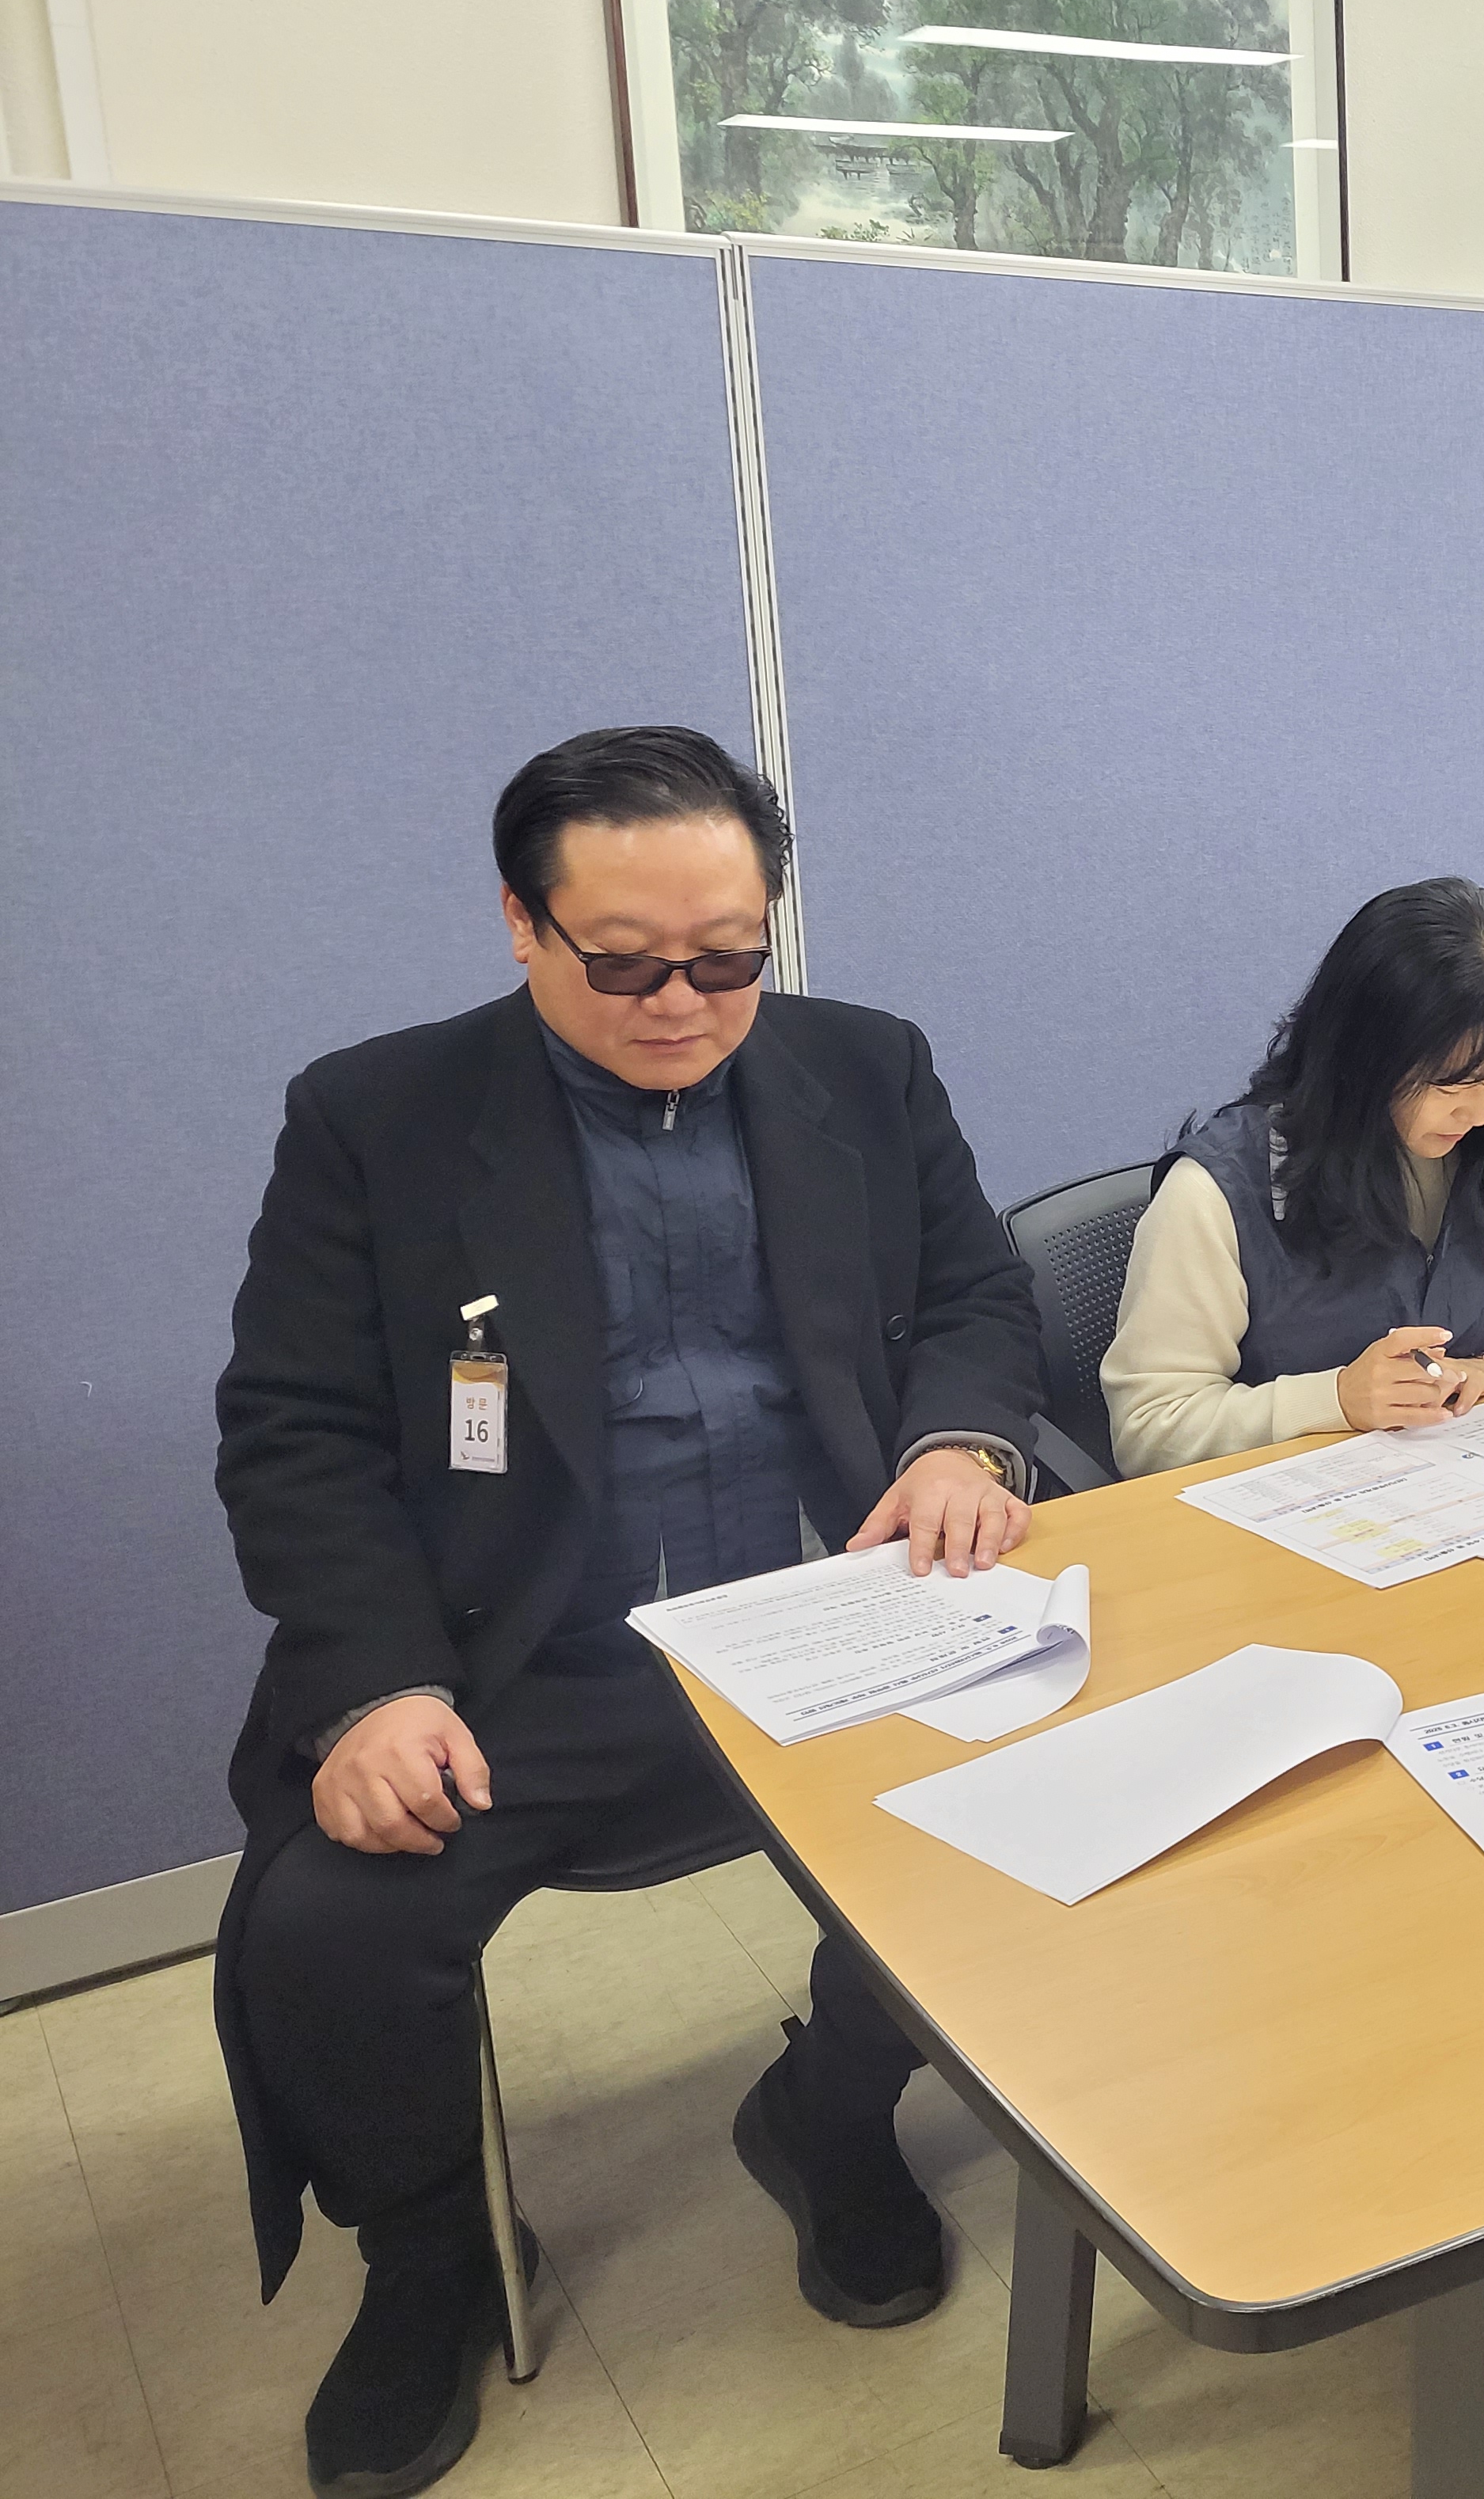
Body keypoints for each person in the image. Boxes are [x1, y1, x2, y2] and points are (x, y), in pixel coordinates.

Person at [213, 726, 1044, 2498]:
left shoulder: (866, 1065)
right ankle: (431, 2251)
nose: (683, 1003)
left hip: (833, 1611)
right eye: (626, 963)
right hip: (524, 1658)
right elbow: (296, 1432)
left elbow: (980, 1293)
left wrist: (961, 1440)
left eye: (728, 958)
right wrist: (373, 1688)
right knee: (328, 1928)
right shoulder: (377, 1117)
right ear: (522, 922)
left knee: (1043, 1804)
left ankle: (829, 2114)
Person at [1100, 877, 1484, 1475]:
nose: (1479, 1113)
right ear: (1364, 1056)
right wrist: (1335, 1400)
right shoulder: (1216, 1192)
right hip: (1297, 1513)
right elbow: (1149, 1429)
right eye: (1450, 1084)